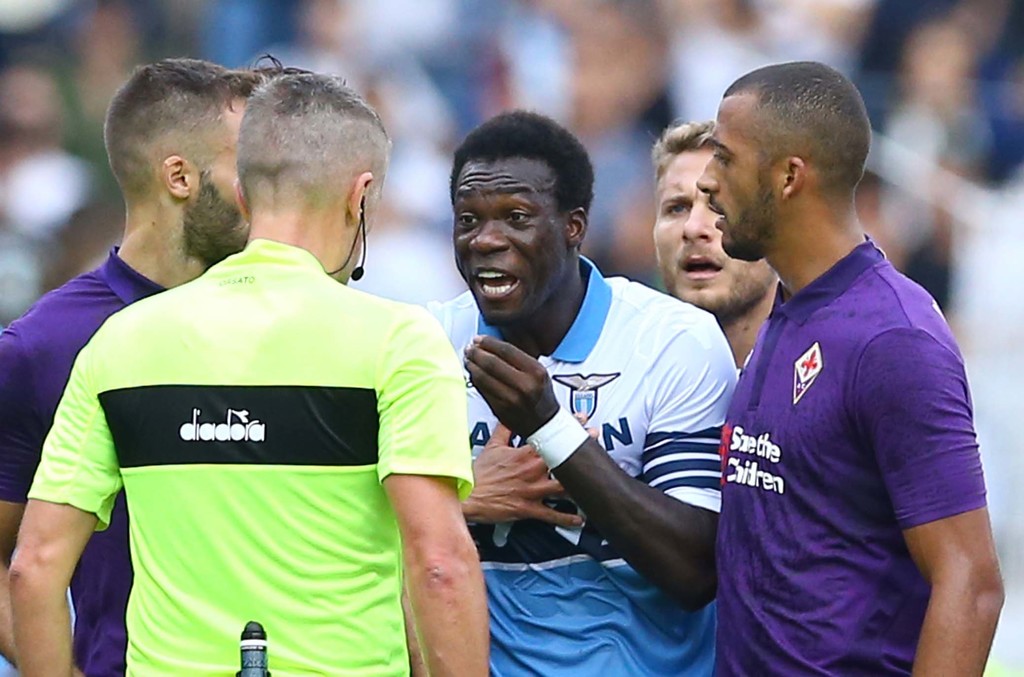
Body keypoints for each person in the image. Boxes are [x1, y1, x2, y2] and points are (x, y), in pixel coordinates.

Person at [11, 73, 487, 676]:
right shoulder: (399, 342)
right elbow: (438, 565)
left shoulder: (121, 341)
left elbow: (34, 566)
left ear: (241, 194)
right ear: (360, 196)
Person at [696, 61, 1004, 675]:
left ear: (789, 176)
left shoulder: (893, 339)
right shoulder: (788, 310)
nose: (707, 181)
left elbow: (970, 582)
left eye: (725, 158)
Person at [431, 110, 737, 675]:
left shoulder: (673, 341)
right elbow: (341, 529)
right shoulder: (426, 344)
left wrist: (550, 427)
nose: (486, 240)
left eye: (517, 217)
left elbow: (696, 572)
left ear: (573, 226)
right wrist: (459, 499)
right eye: (468, 219)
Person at [0, 57, 261, 676]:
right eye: (248, 169)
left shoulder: (290, 317)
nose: (268, 191)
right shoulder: (44, 346)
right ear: (180, 177)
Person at [652, 120, 776, 367]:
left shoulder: (838, 363)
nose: (693, 228)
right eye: (677, 208)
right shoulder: (619, 370)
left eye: (720, 205)